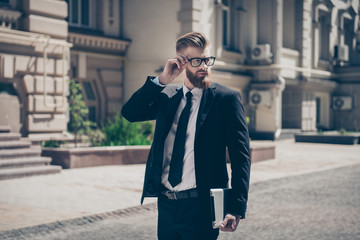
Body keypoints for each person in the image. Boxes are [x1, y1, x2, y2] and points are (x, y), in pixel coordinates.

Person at [121, 32, 251, 240]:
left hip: (201, 207)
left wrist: (235, 208)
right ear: (181, 62)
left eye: (207, 60)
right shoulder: (167, 96)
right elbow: (130, 113)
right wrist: (162, 80)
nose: (204, 67)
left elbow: (240, 157)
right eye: (197, 61)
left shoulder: (226, 100)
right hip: (166, 205)